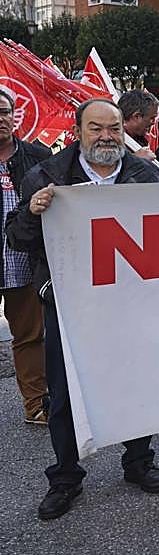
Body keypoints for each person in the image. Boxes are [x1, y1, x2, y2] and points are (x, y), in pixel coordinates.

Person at [6, 99, 159, 520]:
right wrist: (32, 212)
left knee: (136, 384)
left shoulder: (145, 175)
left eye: (114, 128)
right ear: (78, 131)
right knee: (63, 394)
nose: (106, 136)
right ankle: (65, 477)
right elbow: (17, 239)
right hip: (67, 303)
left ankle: (139, 461)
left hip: (130, 302)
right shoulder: (45, 175)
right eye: (96, 128)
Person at [0, 89, 51, 426]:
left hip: (23, 263)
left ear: (13, 116)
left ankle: (36, 404)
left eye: (3, 112)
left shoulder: (38, 156)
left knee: (30, 336)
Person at [117, 89, 159, 170]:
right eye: (152, 118)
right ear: (136, 116)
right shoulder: (110, 139)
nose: (154, 122)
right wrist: (135, 160)